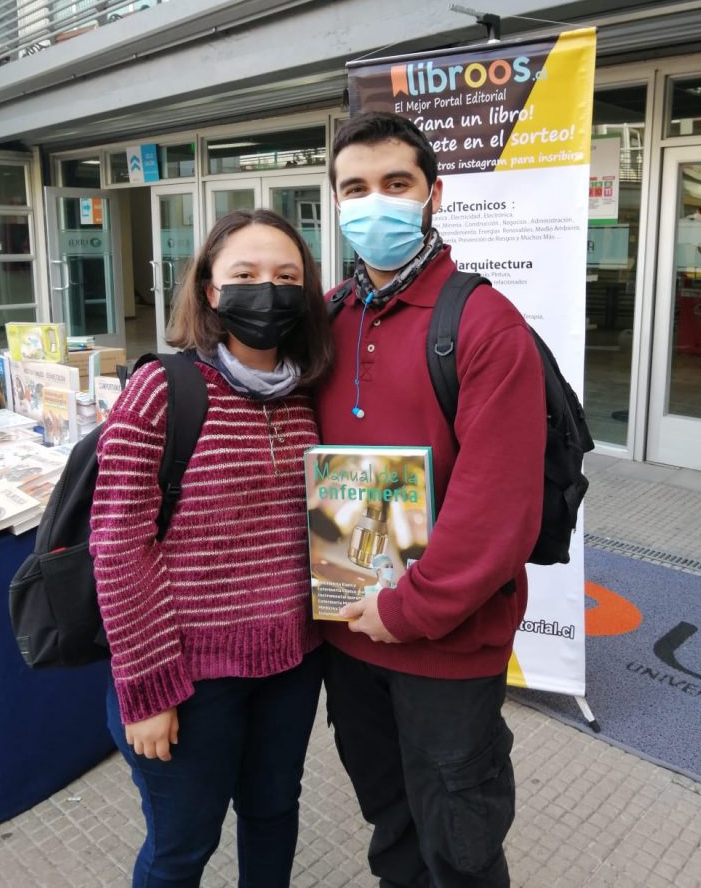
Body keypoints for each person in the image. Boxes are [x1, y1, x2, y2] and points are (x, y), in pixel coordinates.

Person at [316, 112, 547, 888]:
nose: (373, 201)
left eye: (395, 184)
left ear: (432, 195)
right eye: (355, 187)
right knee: (391, 828)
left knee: (461, 846)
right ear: (336, 202)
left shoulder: (483, 324)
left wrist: (407, 610)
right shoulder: (327, 318)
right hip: (349, 636)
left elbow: (498, 509)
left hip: (446, 651)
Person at [89, 209, 333, 888]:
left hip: (292, 663)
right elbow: (117, 546)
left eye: (287, 277)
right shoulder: (162, 391)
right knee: (182, 847)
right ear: (209, 292)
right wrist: (147, 690)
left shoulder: (311, 393)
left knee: (273, 812)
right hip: (190, 679)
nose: (269, 291)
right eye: (246, 275)